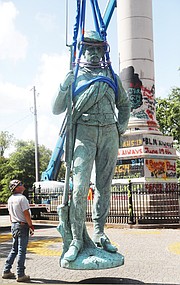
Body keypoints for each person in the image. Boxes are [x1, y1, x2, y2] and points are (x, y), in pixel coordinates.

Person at [52, 30, 131, 262]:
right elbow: (57, 109)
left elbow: (124, 105)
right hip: (83, 134)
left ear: (103, 50)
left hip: (109, 132)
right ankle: (77, 239)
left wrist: (120, 128)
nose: (94, 52)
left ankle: (99, 233)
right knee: (79, 188)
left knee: (104, 187)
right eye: (90, 48)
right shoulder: (74, 76)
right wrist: (63, 87)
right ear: (82, 50)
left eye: (98, 48)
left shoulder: (111, 76)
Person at [2, 180, 34, 282]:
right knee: (21, 251)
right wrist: (31, 225)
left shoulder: (10, 199)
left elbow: (11, 214)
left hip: (14, 225)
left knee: (14, 249)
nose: (23, 185)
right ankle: (20, 274)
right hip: (22, 225)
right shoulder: (22, 198)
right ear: (16, 188)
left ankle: (6, 270)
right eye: (20, 184)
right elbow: (26, 214)